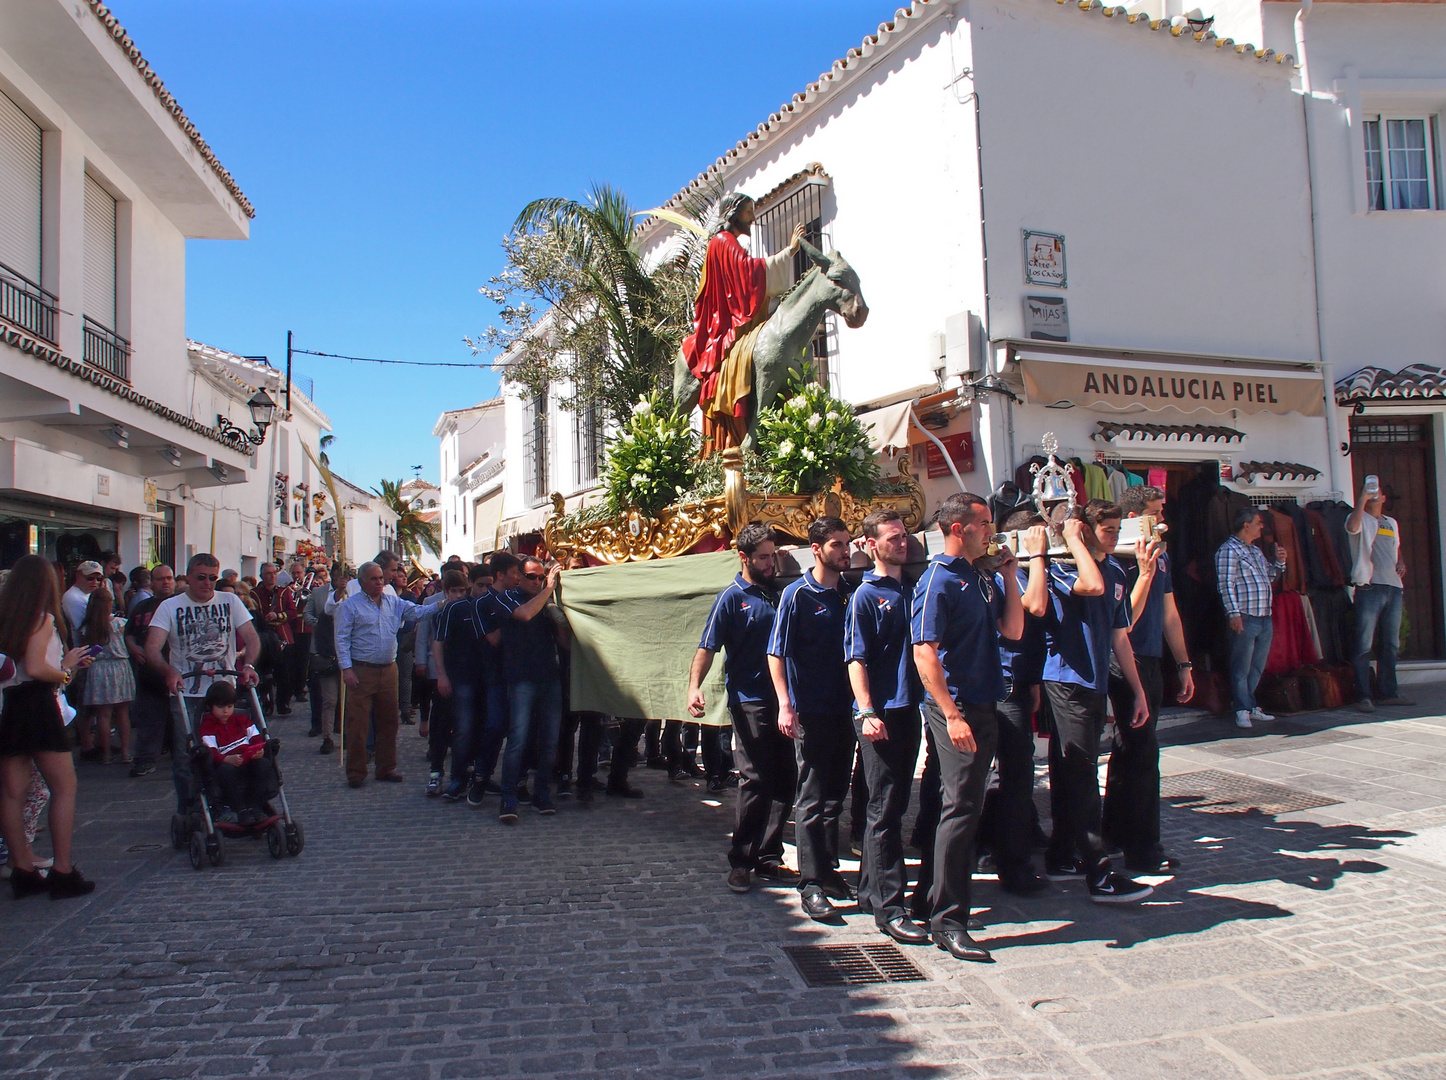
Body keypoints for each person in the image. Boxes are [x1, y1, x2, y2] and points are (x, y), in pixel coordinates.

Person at [910, 494, 1024, 961]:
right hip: (953, 707)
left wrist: (1011, 576)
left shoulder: (981, 576)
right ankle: (948, 920)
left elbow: (1013, 632)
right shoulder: (937, 580)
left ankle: (928, 901)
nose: (991, 531)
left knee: (961, 805)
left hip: (983, 701)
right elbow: (924, 653)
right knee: (961, 809)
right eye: (984, 523)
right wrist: (951, 715)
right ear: (959, 528)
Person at [1041, 501, 1153, 905]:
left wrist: (1137, 690)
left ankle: (1061, 854)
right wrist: (1072, 539)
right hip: (1066, 680)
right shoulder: (1062, 566)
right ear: (1086, 529)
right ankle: (1098, 871)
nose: (1114, 534)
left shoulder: (1117, 570)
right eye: (1106, 528)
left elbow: (1120, 634)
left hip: (1095, 679)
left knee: (1075, 769)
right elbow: (1091, 587)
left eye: (1117, 527)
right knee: (1081, 773)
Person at [689, 523, 796, 893]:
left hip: (785, 702)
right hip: (749, 700)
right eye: (763, 557)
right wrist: (693, 687)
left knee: (786, 778)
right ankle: (742, 860)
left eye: (773, 555)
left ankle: (769, 856)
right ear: (744, 557)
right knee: (755, 779)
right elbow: (708, 645)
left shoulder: (783, 593)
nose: (770, 563)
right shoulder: (732, 598)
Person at [843, 510, 929, 944]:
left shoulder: (913, 587)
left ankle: (868, 891)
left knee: (892, 804)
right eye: (893, 537)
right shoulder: (865, 595)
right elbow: (855, 658)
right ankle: (890, 907)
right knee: (884, 807)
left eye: (905, 535)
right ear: (872, 545)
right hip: (881, 712)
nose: (903, 542)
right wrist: (866, 710)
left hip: (909, 707)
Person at [768, 515, 856, 922]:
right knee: (812, 794)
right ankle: (811, 883)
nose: (845, 550)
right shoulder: (797, 595)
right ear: (817, 549)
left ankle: (829, 869)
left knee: (836, 794)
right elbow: (777, 653)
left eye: (848, 543)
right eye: (837, 544)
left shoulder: (849, 593)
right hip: (811, 709)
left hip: (846, 708)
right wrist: (786, 703)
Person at [1105, 486, 1194, 874]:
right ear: (1136, 519)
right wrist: (1143, 572)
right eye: (1156, 515)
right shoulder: (1122, 559)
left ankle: (1117, 834)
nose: (1163, 522)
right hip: (1127, 659)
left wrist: (1184, 663)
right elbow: (1125, 619)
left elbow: (1170, 613)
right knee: (1141, 753)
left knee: (1131, 749)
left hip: (1153, 658)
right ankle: (1142, 848)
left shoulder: (1162, 555)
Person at [0, 553, 99, 899]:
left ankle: (22, 868)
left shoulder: (7, 619)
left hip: (11, 704)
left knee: (12, 791)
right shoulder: (42, 619)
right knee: (64, 787)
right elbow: (38, 666)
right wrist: (67, 669)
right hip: (39, 704)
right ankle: (62, 869)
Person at [681, 191, 808, 451]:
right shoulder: (723, 241)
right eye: (748, 212)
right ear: (733, 213)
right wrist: (790, 251)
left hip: (733, 315)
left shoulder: (728, 242)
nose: (752, 217)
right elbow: (748, 273)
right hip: (725, 323)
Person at [145, 554, 262, 813]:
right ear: (188, 577)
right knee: (188, 753)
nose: (207, 583)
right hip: (187, 692)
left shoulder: (230, 601)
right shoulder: (170, 606)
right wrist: (168, 670)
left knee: (235, 746)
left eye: (212, 578)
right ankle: (190, 808)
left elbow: (252, 639)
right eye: (201, 577)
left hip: (224, 692)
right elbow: (152, 648)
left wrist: (249, 665)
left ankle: (231, 799)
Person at [981, 511, 1051, 897]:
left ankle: (1002, 846)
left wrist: (1034, 680)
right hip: (1003, 680)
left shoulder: (1014, 570)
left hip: (1020, 677)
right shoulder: (1009, 570)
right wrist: (1037, 557)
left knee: (1013, 771)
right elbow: (1034, 607)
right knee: (1013, 773)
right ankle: (1013, 863)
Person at [327, 561, 425, 788]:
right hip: (362, 669)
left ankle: (386, 767)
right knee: (358, 724)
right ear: (361, 582)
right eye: (374, 578)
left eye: (381, 578)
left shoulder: (393, 601)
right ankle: (356, 771)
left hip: (388, 668)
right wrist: (346, 669)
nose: (379, 582)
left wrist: (442, 603)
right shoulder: (350, 606)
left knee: (389, 721)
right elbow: (341, 640)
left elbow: (418, 612)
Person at [497, 557, 566, 822]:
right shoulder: (506, 599)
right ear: (519, 578)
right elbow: (524, 615)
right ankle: (508, 797)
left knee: (549, 741)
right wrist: (549, 590)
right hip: (521, 679)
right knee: (518, 740)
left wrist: (561, 616)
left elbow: (562, 641)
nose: (537, 582)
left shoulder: (546, 604)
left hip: (549, 677)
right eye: (532, 577)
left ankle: (541, 794)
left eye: (541, 577)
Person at [433, 564, 501, 802]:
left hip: (489, 677)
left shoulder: (494, 605)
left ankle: (481, 776)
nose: (485, 589)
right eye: (480, 584)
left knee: (486, 728)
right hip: (461, 677)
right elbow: (438, 642)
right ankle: (458, 778)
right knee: (463, 728)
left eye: (489, 585)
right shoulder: (455, 608)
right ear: (470, 583)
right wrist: (441, 674)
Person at [1215, 507, 1287, 729]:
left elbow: (1270, 576)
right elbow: (1225, 584)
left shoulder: (1255, 551)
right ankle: (1241, 708)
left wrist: (1280, 562)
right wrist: (1233, 613)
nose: (1261, 526)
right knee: (1241, 666)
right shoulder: (1228, 550)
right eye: (1258, 522)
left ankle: (1249, 704)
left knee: (1257, 665)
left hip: (1264, 615)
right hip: (1246, 615)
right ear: (1246, 525)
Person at [1347, 481, 1413, 711]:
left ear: (1384, 498)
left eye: (1377, 493)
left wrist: (1401, 560)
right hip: (1370, 587)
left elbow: (1396, 546)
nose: (1375, 495)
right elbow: (1352, 528)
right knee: (1364, 643)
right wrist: (1362, 499)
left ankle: (1388, 692)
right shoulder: (1360, 517)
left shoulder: (1391, 523)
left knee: (1390, 644)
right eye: (1370, 492)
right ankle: (1363, 695)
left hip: (1394, 587)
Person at [196, 681, 276, 825]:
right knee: (226, 771)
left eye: (230, 707)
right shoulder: (208, 726)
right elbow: (211, 751)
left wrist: (258, 750)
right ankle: (241, 809)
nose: (226, 711)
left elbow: (256, 737)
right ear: (210, 707)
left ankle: (255, 805)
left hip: (248, 761)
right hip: (225, 766)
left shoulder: (241, 720)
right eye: (220, 707)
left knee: (264, 764)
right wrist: (225, 759)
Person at [124, 564, 174, 777]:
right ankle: (145, 759)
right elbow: (129, 632)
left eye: (169, 578)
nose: (166, 582)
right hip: (150, 674)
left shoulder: (181, 604)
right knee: (149, 718)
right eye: (160, 579)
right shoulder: (142, 607)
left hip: (177, 672)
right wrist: (134, 647)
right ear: (151, 583)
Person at [421, 570, 469, 795]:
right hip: (444, 674)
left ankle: (461, 772)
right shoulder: (439, 610)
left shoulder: (468, 608)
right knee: (441, 725)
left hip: (463, 675)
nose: (458, 595)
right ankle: (435, 772)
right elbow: (433, 642)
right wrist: (439, 674)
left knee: (462, 727)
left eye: (462, 591)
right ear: (445, 591)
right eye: (454, 591)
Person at [79, 588, 135, 764]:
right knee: (122, 713)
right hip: (120, 666)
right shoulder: (119, 623)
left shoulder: (88, 628)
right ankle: (125, 752)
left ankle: (106, 754)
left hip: (98, 668)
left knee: (103, 715)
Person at [302, 564, 341, 755]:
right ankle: (327, 736)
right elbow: (307, 613)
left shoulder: (354, 594)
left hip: (346, 653)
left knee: (348, 699)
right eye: (337, 576)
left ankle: (347, 733)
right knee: (328, 699)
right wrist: (318, 625)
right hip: (324, 651)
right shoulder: (318, 593)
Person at [254, 563, 298, 716]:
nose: (272, 576)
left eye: (274, 573)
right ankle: (267, 703)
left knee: (284, 673)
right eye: (268, 573)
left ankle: (282, 703)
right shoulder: (255, 593)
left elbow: (292, 611)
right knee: (264, 674)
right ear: (261, 576)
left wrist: (278, 616)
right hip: (263, 638)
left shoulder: (284, 592)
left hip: (283, 636)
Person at [62, 560, 104, 643]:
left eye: (99, 579)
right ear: (78, 576)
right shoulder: (73, 598)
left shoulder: (88, 593)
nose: (95, 582)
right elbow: (85, 629)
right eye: (90, 578)